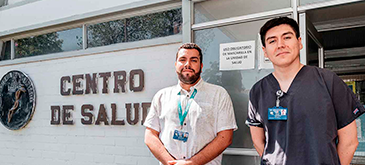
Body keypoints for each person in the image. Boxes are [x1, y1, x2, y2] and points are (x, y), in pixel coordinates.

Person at [246, 17, 364, 165]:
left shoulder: (328, 81)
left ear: (299, 42)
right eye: (272, 41)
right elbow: (258, 141)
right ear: (265, 51)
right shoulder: (257, 91)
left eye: (287, 37)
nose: (280, 45)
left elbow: (349, 141)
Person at [144, 43, 237, 165]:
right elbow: (150, 135)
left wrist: (192, 163)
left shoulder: (219, 94)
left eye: (194, 60)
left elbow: (225, 138)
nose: (187, 64)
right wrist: (169, 162)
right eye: (182, 60)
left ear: (201, 66)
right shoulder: (161, 96)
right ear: (176, 64)